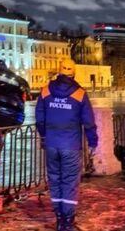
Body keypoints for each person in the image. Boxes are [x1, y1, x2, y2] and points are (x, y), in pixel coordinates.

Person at [36, 59, 98, 231]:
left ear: (59, 71)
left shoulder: (45, 91)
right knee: (70, 182)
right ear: (74, 72)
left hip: (51, 145)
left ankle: (58, 219)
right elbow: (88, 122)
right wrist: (93, 141)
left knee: (55, 180)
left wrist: (44, 136)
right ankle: (68, 223)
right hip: (71, 145)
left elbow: (40, 119)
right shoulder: (79, 94)